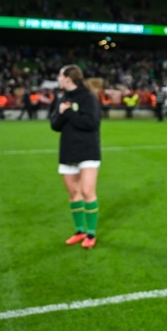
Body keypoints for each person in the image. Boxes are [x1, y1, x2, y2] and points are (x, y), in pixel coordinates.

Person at [50, 65, 101, 249]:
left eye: (59, 75)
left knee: (87, 191)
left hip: (88, 150)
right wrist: (63, 113)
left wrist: (69, 112)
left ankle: (91, 234)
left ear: (68, 79)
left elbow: (90, 123)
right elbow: (55, 124)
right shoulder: (62, 98)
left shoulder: (88, 97)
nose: (58, 79)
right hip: (68, 151)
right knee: (73, 193)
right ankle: (79, 231)